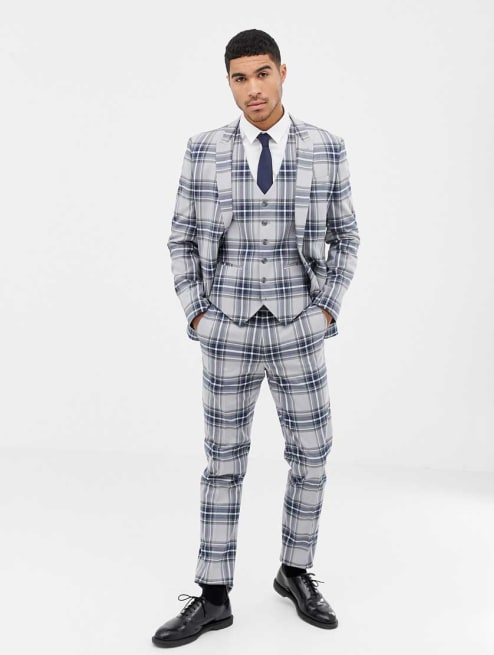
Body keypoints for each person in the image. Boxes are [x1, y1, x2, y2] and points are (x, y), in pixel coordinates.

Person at [152, 28, 360, 648]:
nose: (253, 89)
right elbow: (180, 237)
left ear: (282, 73)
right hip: (228, 330)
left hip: (299, 329)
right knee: (223, 463)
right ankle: (213, 596)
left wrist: (325, 313)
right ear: (230, 83)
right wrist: (198, 315)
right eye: (240, 78)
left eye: (262, 74)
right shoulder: (203, 150)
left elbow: (346, 237)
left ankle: (295, 572)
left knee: (312, 455)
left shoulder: (326, 147)